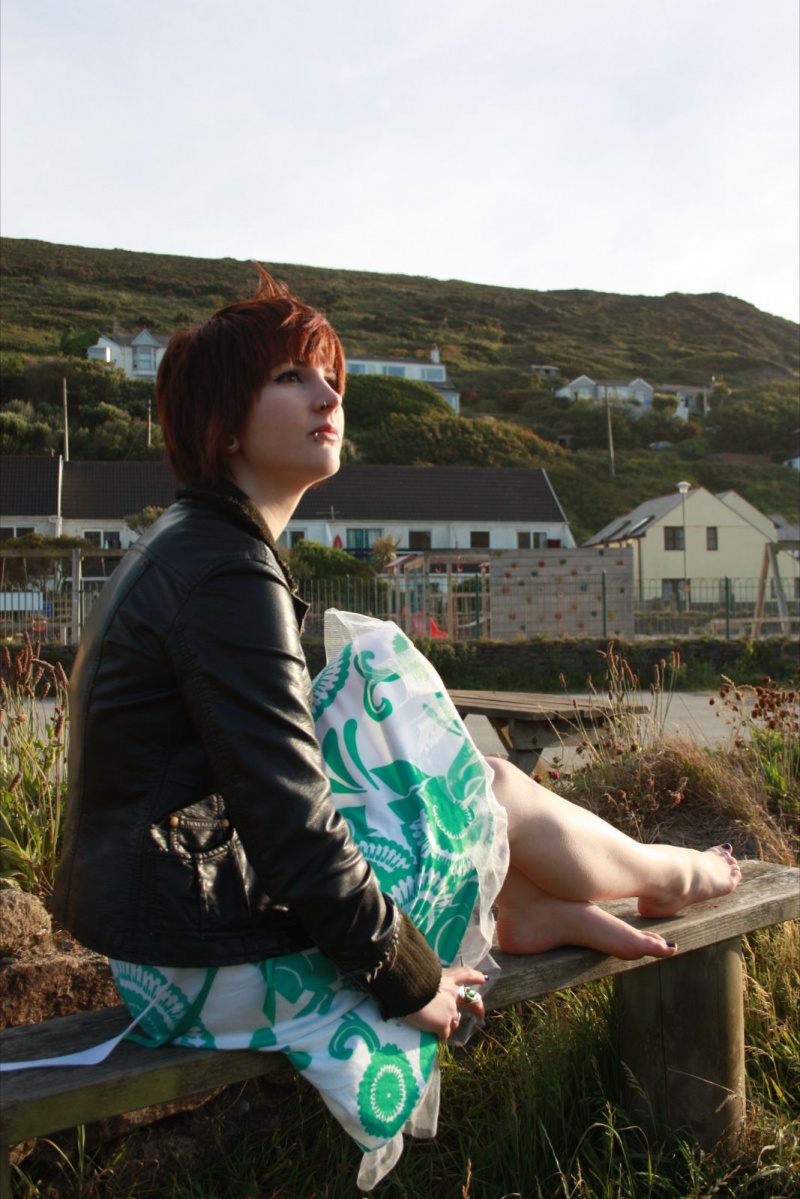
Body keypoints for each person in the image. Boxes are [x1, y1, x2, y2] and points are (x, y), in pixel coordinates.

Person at [51, 269, 741, 1186]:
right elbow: (292, 829)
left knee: (406, 725)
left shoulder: (197, 543)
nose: (329, 393)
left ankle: (521, 904)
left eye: (330, 374)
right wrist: (409, 978)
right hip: (196, 966)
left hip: (162, 942)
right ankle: (666, 874)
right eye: (293, 376)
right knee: (486, 786)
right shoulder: (226, 572)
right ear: (222, 421)